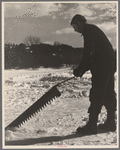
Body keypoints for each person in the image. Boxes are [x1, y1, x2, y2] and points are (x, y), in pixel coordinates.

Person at [71, 14, 116, 135]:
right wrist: (82, 69)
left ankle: (91, 126)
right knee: (108, 93)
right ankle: (111, 122)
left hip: (103, 67)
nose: (75, 30)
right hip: (109, 65)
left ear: (79, 23)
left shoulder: (89, 32)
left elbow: (88, 54)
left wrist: (80, 69)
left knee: (96, 94)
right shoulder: (92, 30)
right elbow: (92, 54)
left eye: (74, 26)